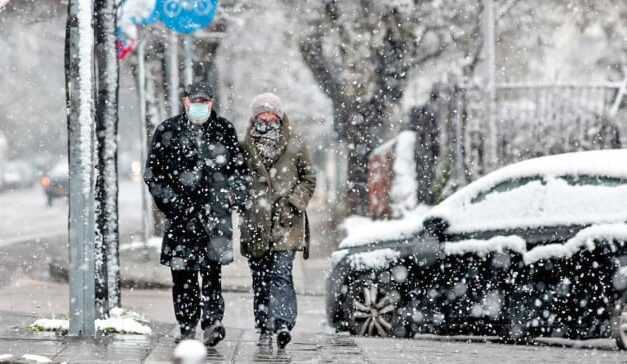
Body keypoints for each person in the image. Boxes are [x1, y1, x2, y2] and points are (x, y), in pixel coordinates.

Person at [144, 81, 250, 346]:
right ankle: (187, 325)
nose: (200, 106)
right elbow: (153, 175)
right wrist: (173, 202)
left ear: (211, 103)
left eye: (205, 102)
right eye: (195, 101)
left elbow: (239, 171)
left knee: (212, 273)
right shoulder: (168, 130)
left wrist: (230, 196)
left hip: (214, 218)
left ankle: (212, 322)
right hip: (181, 219)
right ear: (186, 102)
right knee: (182, 275)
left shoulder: (224, 130)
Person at [240, 93, 317, 349]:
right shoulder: (245, 145)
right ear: (254, 117)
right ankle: (263, 325)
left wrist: (294, 202)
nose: (266, 117)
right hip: (256, 223)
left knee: (281, 274)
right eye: (261, 113)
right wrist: (245, 202)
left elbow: (309, 178)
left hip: (286, 223)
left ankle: (283, 323)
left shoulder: (295, 143)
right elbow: (237, 181)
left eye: (270, 113)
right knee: (260, 278)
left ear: (279, 115)